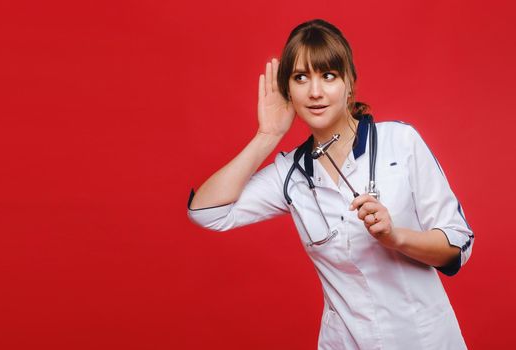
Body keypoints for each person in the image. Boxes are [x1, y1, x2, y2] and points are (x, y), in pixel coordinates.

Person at [187, 18, 474, 350]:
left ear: (349, 81)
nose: (315, 92)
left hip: (424, 340)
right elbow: (206, 213)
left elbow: (457, 245)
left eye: (328, 75)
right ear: (287, 90)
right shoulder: (291, 174)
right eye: (300, 78)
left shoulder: (401, 142)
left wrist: (395, 237)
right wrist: (268, 135)